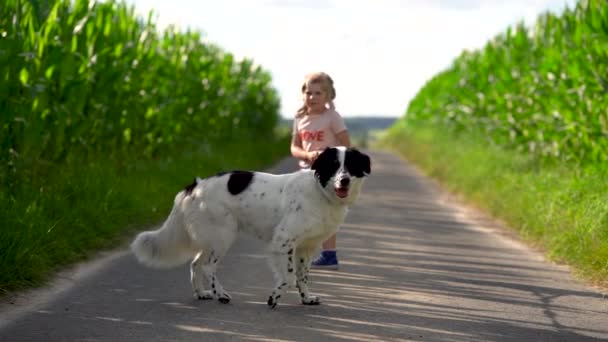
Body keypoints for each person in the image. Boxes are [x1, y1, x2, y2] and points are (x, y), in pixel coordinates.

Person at [290, 71, 351, 270]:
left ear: (328, 96)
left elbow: (345, 144)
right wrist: (307, 156)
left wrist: (330, 158)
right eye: (308, 93)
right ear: (303, 95)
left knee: (327, 212)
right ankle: (300, 251)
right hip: (305, 173)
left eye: (318, 93)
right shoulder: (300, 118)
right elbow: (294, 147)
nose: (312, 97)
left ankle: (329, 255)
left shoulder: (332, 117)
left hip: (328, 175)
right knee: (302, 211)